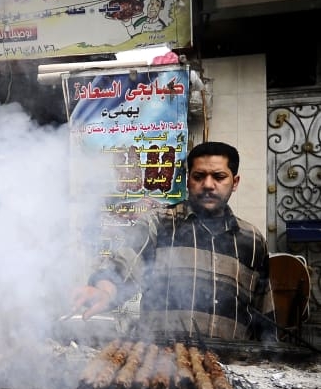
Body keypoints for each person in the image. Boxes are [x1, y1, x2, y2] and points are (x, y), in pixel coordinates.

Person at [71, 141, 277, 341]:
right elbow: (124, 264)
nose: (207, 184)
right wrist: (105, 290)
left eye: (219, 177)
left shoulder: (252, 240)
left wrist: (271, 357)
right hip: (162, 365)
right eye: (199, 176)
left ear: (235, 182)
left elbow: (264, 314)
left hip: (231, 368)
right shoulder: (159, 223)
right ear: (188, 181)